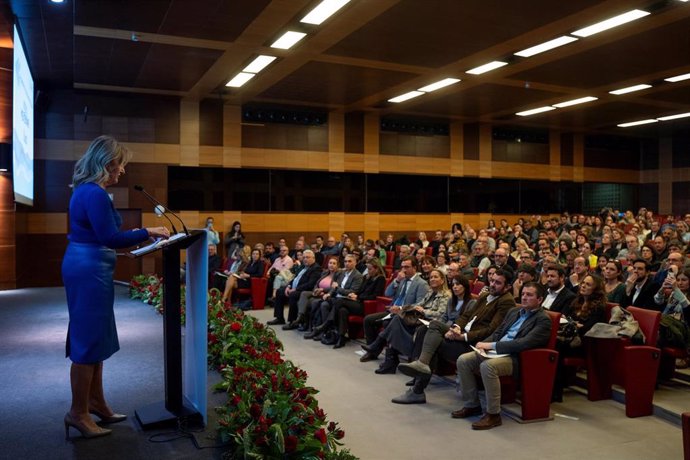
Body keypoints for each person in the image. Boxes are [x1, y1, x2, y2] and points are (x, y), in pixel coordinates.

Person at [62, 135, 170, 439]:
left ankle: (95, 402)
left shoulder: (86, 191)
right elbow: (110, 237)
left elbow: (104, 236)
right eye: (119, 165)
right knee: (87, 341)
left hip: (90, 267)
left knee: (96, 337)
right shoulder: (93, 194)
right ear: (107, 163)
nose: (122, 171)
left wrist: (138, 235)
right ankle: (77, 413)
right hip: (88, 270)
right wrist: (147, 230)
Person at [393, 271, 513, 404]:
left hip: (474, 344)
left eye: (498, 283)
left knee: (434, 342)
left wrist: (464, 337)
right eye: (492, 281)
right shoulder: (485, 296)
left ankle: (418, 387)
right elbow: (466, 316)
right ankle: (421, 368)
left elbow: (492, 330)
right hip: (462, 333)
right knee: (426, 328)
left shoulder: (506, 301)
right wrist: (455, 327)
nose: (492, 284)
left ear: (507, 287)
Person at [452, 282, 552, 430]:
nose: (524, 298)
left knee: (488, 367)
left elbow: (523, 343)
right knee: (463, 360)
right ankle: (472, 405)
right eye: (523, 294)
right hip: (496, 351)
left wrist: (491, 346)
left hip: (517, 357)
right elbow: (498, 333)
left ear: (540, 300)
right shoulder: (513, 311)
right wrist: (482, 345)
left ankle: (493, 414)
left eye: (529, 295)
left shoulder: (543, 320)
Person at [363, 269, 451, 374]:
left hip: (431, 322)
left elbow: (441, 313)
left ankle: (383, 352)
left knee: (396, 321)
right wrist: (402, 308)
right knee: (396, 320)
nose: (432, 279)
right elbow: (418, 304)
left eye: (436, 277)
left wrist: (424, 311)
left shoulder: (446, 295)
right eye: (431, 277)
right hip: (419, 319)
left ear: (442, 280)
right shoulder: (430, 292)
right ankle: (387, 359)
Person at [552, 275, 607, 401]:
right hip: (570, 338)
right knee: (554, 343)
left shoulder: (599, 307)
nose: (583, 286)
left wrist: (574, 324)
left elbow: (588, 328)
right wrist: (574, 324)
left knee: (556, 347)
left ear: (596, 289)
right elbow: (567, 318)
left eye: (588, 285)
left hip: (584, 344)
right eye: (583, 283)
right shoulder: (577, 301)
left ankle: (556, 393)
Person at [361, 256, 429, 346]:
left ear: (414, 268)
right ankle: (371, 346)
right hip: (392, 311)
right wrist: (396, 280)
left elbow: (419, 304)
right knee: (368, 320)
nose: (403, 270)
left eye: (407, 267)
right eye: (402, 267)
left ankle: (375, 350)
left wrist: (401, 308)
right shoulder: (401, 279)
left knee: (387, 323)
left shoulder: (421, 283)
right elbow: (387, 293)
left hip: (405, 315)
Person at [267, 250, 322, 325]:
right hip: (294, 288)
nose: (305, 259)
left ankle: (292, 321)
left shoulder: (316, 268)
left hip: (304, 291)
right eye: (304, 257)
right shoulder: (303, 266)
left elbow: (310, 284)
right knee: (279, 291)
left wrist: (295, 289)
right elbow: (294, 278)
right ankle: (279, 318)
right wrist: (289, 286)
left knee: (293, 295)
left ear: (313, 258)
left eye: (308, 257)